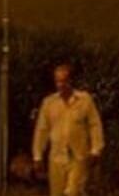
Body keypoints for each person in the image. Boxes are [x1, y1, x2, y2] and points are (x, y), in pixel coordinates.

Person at [32, 63, 104, 196]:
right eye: (58, 81)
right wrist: (38, 156)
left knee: (72, 192)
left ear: (71, 81)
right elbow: (42, 130)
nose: (60, 85)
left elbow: (94, 125)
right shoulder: (49, 103)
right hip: (57, 158)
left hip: (78, 156)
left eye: (64, 81)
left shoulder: (84, 100)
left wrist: (95, 150)